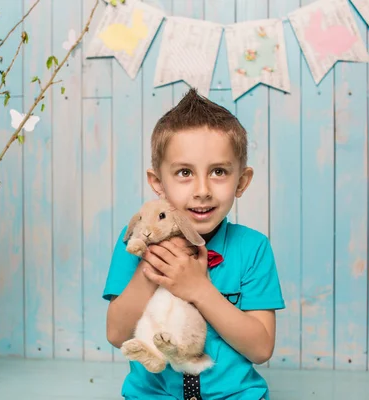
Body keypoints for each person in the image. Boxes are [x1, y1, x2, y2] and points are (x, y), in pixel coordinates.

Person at [103, 88, 285, 400]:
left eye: (218, 172)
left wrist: (198, 289)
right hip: (152, 395)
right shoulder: (135, 239)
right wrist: (151, 266)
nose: (202, 190)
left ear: (241, 181)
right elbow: (117, 334)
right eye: (185, 172)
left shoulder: (253, 248)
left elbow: (261, 348)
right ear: (158, 183)